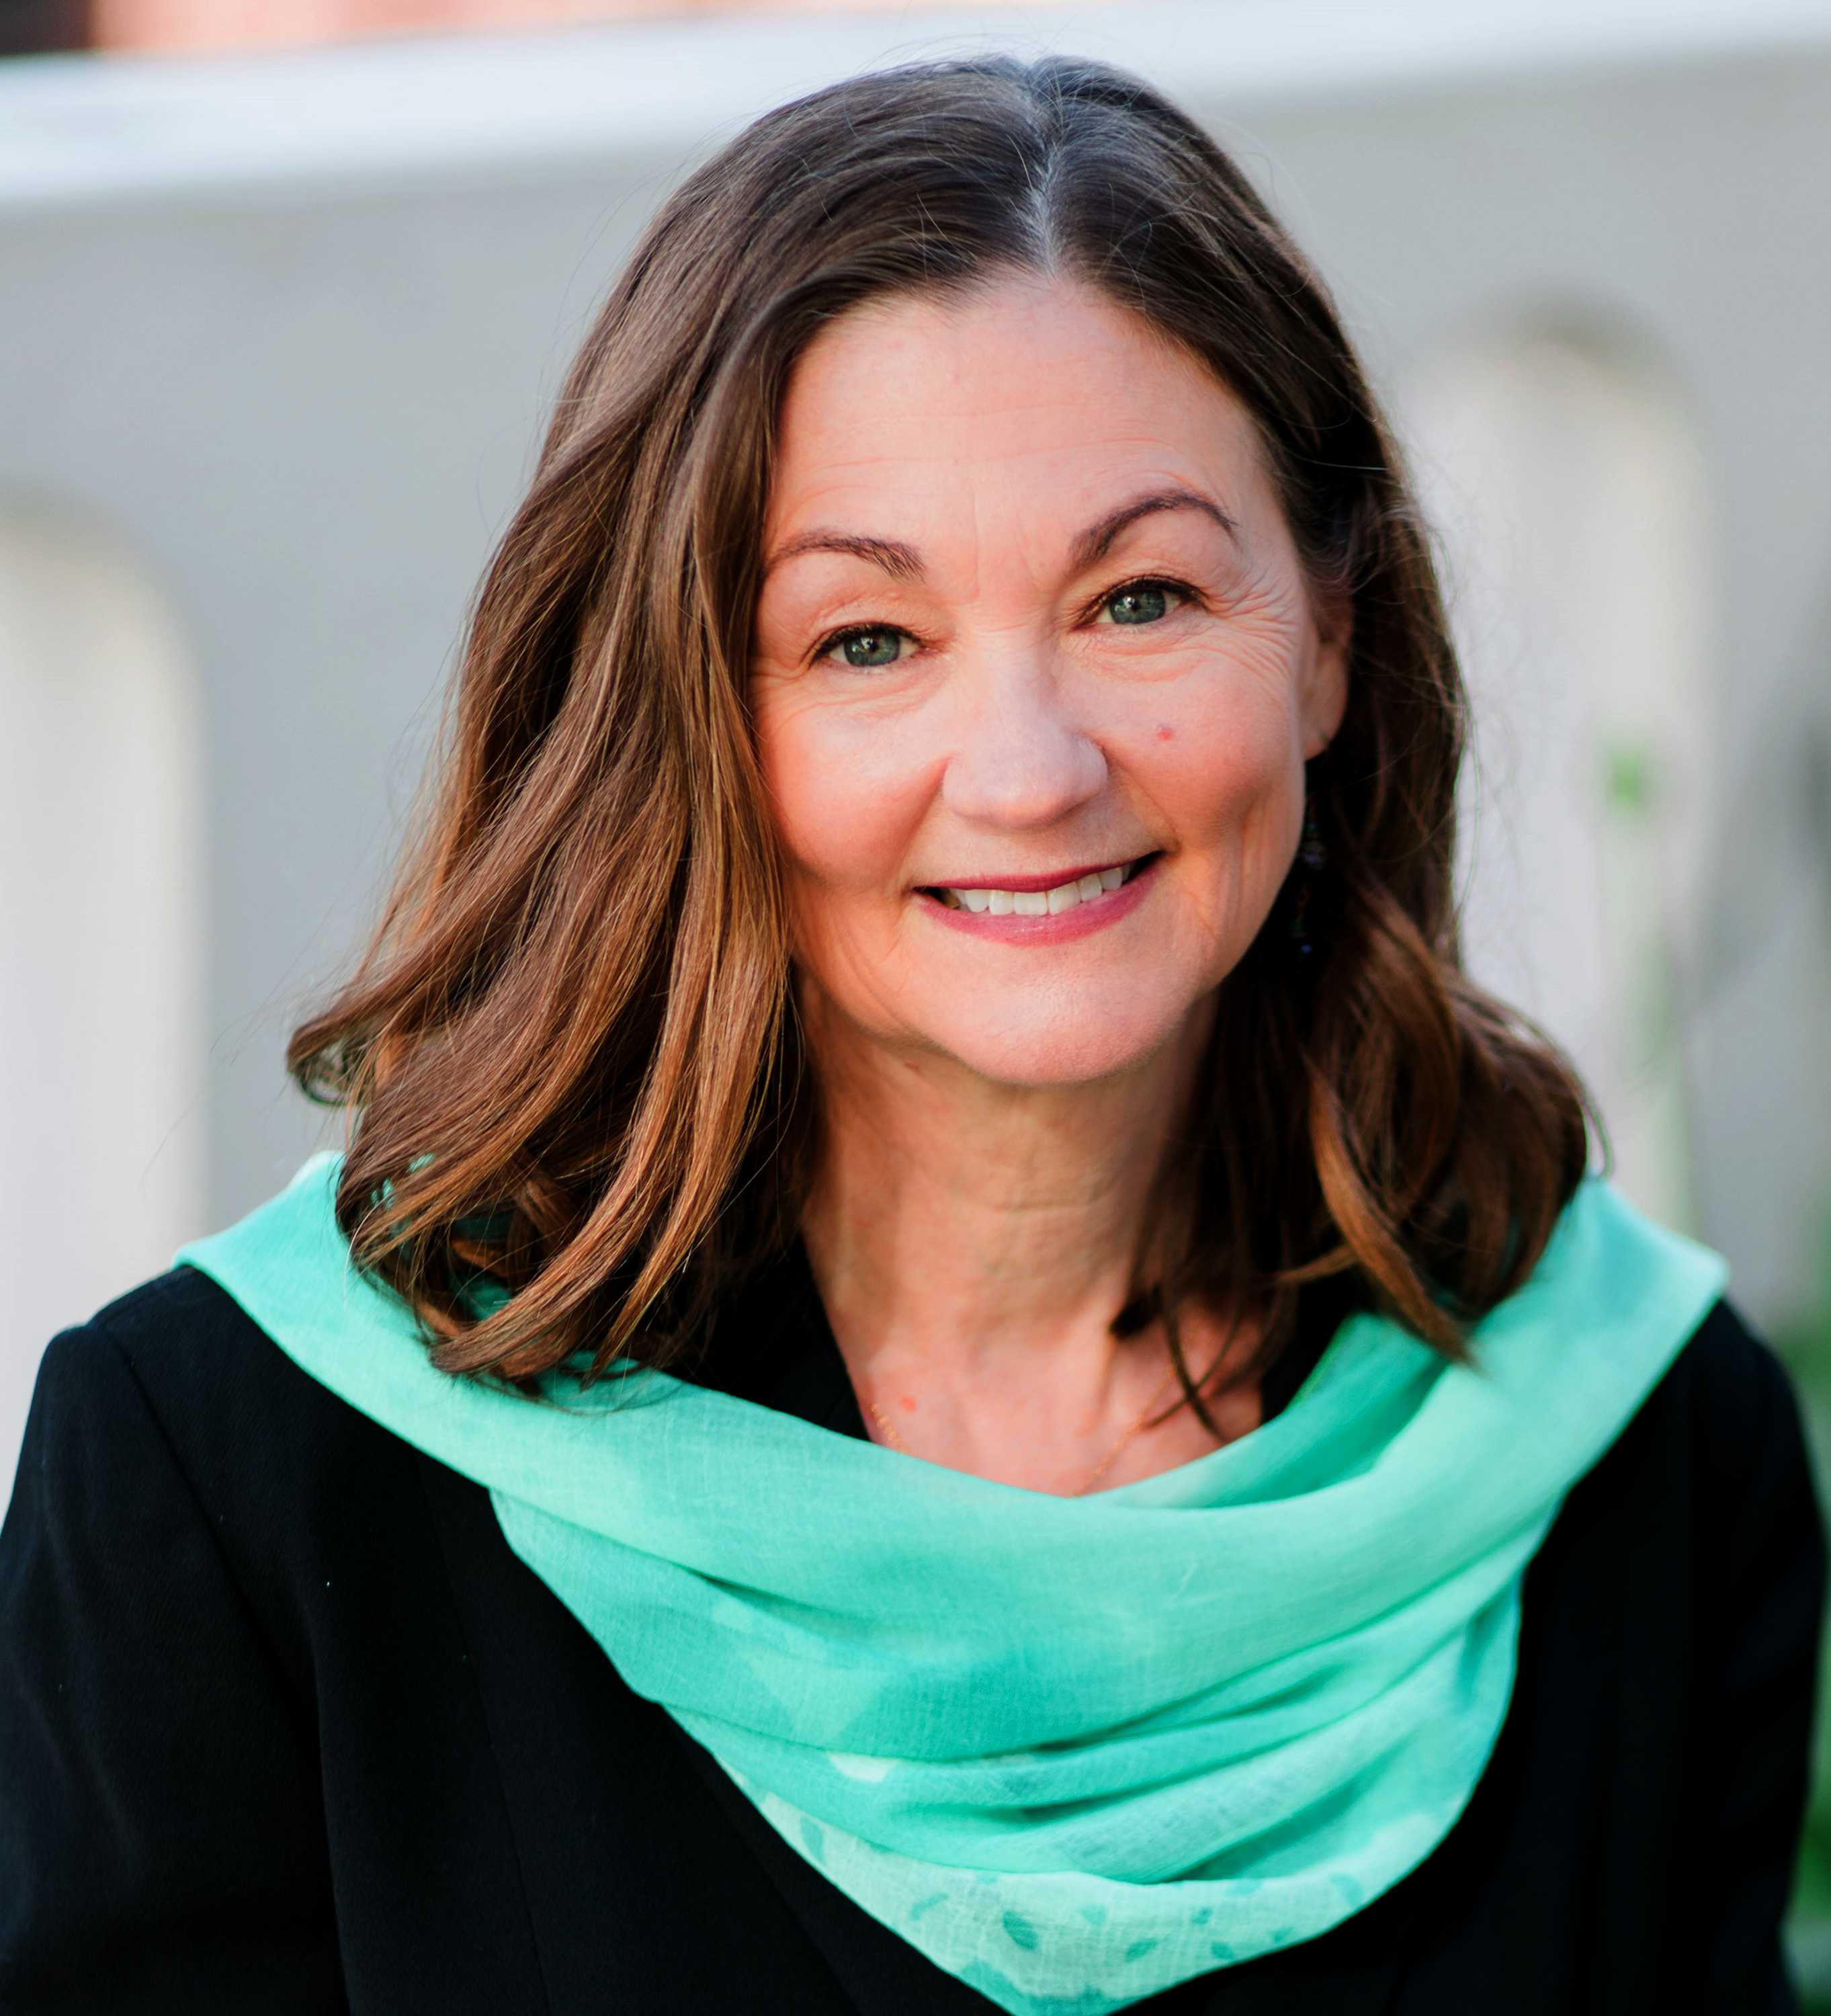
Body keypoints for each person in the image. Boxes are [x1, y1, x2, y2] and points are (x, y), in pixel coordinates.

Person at [1, 52, 1824, 2016]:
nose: (1032, 773)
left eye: (1141, 600)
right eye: (867, 640)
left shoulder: (1631, 1449)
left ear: (1329, 642)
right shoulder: (244, 1484)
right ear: (697, 714)